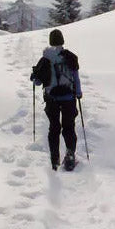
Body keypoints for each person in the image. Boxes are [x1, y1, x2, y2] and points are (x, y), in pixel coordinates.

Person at [30, 28, 83, 171]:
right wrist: (78, 93)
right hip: (68, 98)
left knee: (54, 128)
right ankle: (70, 155)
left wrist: (35, 76)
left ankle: (55, 160)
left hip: (51, 98)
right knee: (69, 127)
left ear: (50, 41)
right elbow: (76, 78)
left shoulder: (45, 59)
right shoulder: (70, 57)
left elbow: (38, 82)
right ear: (62, 41)